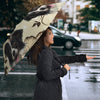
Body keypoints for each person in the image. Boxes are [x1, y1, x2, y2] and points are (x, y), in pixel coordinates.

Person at [27, 27, 96, 100]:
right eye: (50, 34)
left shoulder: (46, 51)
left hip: (47, 90)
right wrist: (64, 70)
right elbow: (47, 75)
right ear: (43, 37)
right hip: (48, 92)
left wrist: (82, 57)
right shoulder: (46, 52)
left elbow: (61, 59)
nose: (53, 36)